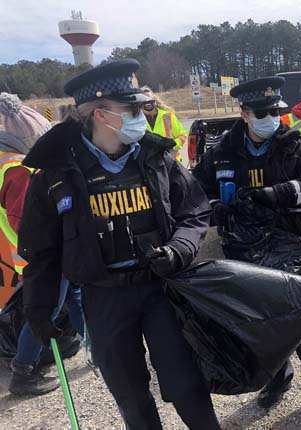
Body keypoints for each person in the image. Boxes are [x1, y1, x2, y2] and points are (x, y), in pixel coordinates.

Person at [18, 59, 220, 430]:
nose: (141, 116)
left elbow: (194, 212)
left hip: (161, 288)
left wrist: (178, 250)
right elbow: (41, 252)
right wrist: (39, 307)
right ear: (100, 114)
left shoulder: (156, 157)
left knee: (186, 381)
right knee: (129, 391)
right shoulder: (55, 174)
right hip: (105, 296)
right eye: (130, 109)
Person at [193, 77, 301, 427]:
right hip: (244, 257)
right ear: (244, 113)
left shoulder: (294, 144)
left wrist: (273, 195)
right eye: (263, 112)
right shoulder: (222, 152)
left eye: (275, 110)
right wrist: (220, 209)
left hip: (291, 249)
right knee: (261, 328)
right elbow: (195, 194)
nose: (271, 117)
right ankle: (276, 382)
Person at [0, 93, 85, 396]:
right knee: (44, 312)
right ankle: (23, 372)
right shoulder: (17, 170)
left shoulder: (4, 164)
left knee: (76, 297)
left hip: (35, 257)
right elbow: (28, 222)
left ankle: (96, 346)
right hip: (45, 259)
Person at [141, 86, 187, 164]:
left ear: (155, 101)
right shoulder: (137, 121)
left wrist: (172, 144)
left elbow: (182, 136)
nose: (147, 103)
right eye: (143, 101)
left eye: (149, 100)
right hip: (149, 166)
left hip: (171, 162)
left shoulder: (167, 116)